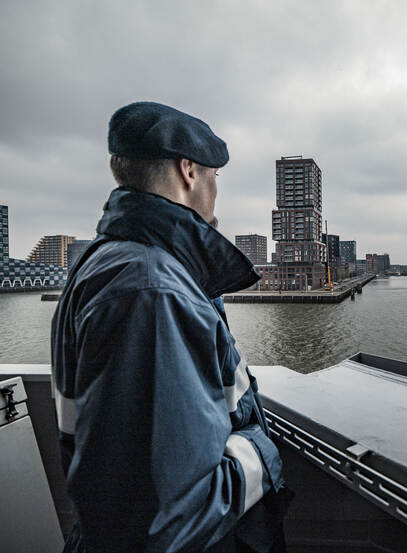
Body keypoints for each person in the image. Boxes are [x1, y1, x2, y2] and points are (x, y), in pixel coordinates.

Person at [51, 102, 287, 552]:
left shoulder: (111, 262)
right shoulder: (151, 289)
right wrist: (262, 451)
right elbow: (162, 517)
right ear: (189, 172)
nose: (217, 191)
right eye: (215, 176)